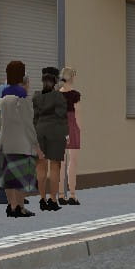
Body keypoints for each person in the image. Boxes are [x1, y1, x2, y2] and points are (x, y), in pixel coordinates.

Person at [0, 60, 38, 218]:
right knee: (21, 175)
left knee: (7, 176)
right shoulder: (22, 95)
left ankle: (11, 206)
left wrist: (0, 135)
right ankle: (20, 207)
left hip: (5, 142)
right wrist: (35, 144)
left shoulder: (3, 95)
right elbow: (28, 123)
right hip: (21, 143)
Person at [32, 66, 69, 211]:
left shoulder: (36, 96)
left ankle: (42, 199)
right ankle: (53, 200)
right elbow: (62, 117)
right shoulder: (59, 96)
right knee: (55, 167)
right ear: (55, 80)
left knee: (40, 167)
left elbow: (34, 118)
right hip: (55, 132)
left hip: (39, 131)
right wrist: (66, 134)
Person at [59, 67, 82, 206]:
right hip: (72, 127)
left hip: (59, 128)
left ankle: (61, 195)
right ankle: (72, 194)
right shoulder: (75, 95)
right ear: (71, 78)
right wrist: (79, 129)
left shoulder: (56, 95)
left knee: (61, 162)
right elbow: (77, 114)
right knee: (72, 161)